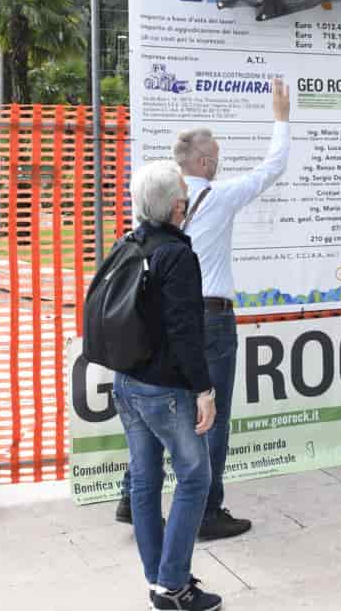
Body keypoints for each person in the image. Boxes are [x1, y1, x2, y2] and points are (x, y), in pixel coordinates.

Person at [119, 77, 292, 541]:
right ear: (205, 162)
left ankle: (130, 494)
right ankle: (208, 511)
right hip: (209, 318)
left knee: (156, 403)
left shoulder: (151, 199)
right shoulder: (220, 195)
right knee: (210, 415)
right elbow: (272, 167)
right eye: (215, 156)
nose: (219, 163)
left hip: (158, 317)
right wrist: (280, 117)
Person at [113, 160, 222, 611]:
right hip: (163, 389)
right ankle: (173, 585)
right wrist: (205, 391)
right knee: (196, 477)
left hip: (127, 382)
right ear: (179, 204)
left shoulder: (130, 243)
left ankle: (159, 579)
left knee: (144, 480)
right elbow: (185, 330)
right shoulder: (176, 254)